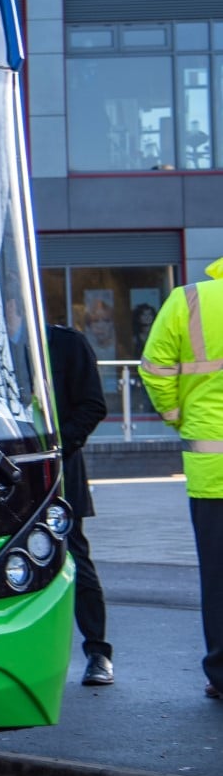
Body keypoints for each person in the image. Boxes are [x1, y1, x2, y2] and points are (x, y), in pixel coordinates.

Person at [138, 260, 223, 701]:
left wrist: (178, 418)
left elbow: (154, 369)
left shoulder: (190, 300)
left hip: (213, 471)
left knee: (219, 577)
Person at [47, 321, 112, 684]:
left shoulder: (67, 343)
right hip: (5, 474)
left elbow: (93, 405)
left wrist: (58, 449)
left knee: (74, 556)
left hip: (59, 473)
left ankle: (99, 653)